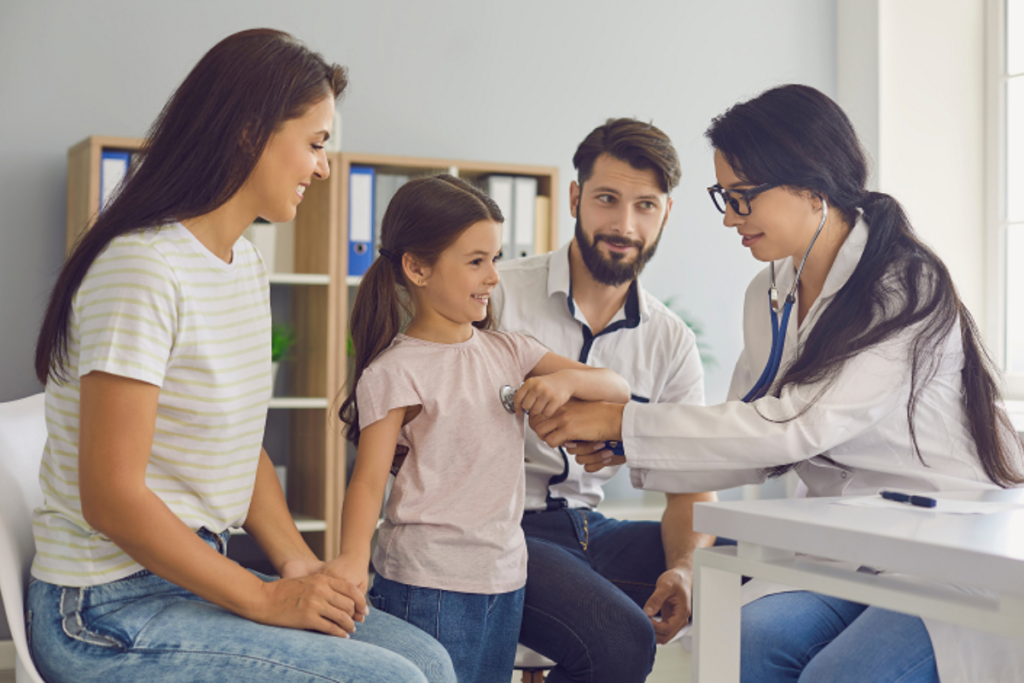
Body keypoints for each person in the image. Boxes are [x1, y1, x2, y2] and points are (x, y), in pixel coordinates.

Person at [532, 84, 1024, 683]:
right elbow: (748, 433)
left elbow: (795, 427)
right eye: (724, 197)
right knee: (744, 642)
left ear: (811, 187)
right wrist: (620, 443)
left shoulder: (903, 287)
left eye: (742, 198)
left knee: (840, 675)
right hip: (848, 542)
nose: (729, 217)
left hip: (943, 545)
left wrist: (622, 423)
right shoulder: (770, 292)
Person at [29, 29, 455, 683]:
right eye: (314, 143)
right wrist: (260, 596)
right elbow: (110, 497)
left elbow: (236, 447)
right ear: (250, 133)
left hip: (190, 575)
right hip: (102, 608)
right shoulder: (143, 268)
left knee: (429, 659)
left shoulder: (243, 266)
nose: (323, 166)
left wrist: (295, 563)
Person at [331, 174, 630, 683]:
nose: (493, 276)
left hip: (503, 575)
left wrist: (562, 382)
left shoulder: (510, 351)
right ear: (417, 268)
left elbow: (616, 387)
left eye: (494, 259)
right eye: (476, 261)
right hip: (427, 582)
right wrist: (351, 567)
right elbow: (366, 481)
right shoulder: (394, 371)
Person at [489, 117, 716, 683]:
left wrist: (685, 570)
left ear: (666, 214)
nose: (624, 224)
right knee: (622, 640)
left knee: (740, 559)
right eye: (607, 200)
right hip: (502, 529)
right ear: (575, 198)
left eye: (645, 206)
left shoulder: (669, 338)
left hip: (590, 530)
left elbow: (692, 485)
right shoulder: (495, 295)